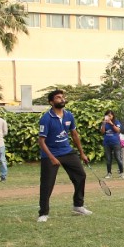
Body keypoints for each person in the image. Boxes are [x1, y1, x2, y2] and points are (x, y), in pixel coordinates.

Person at [37, 89, 90, 222]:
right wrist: (52, 158)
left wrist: (82, 154)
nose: (61, 99)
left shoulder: (69, 116)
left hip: (67, 151)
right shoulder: (46, 118)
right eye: (58, 97)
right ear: (51, 102)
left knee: (81, 176)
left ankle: (78, 205)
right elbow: (41, 141)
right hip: (50, 154)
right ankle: (43, 213)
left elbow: (74, 134)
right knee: (47, 184)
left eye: (62, 97)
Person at [100, 110, 124, 179]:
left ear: (113, 116)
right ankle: (109, 173)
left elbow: (118, 130)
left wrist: (111, 124)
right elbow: (102, 132)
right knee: (108, 159)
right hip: (107, 143)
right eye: (107, 115)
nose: (108, 117)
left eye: (110, 116)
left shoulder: (116, 122)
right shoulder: (104, 123)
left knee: (118, 158)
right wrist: (104, 124)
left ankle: (122, 173)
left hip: (116, 143)